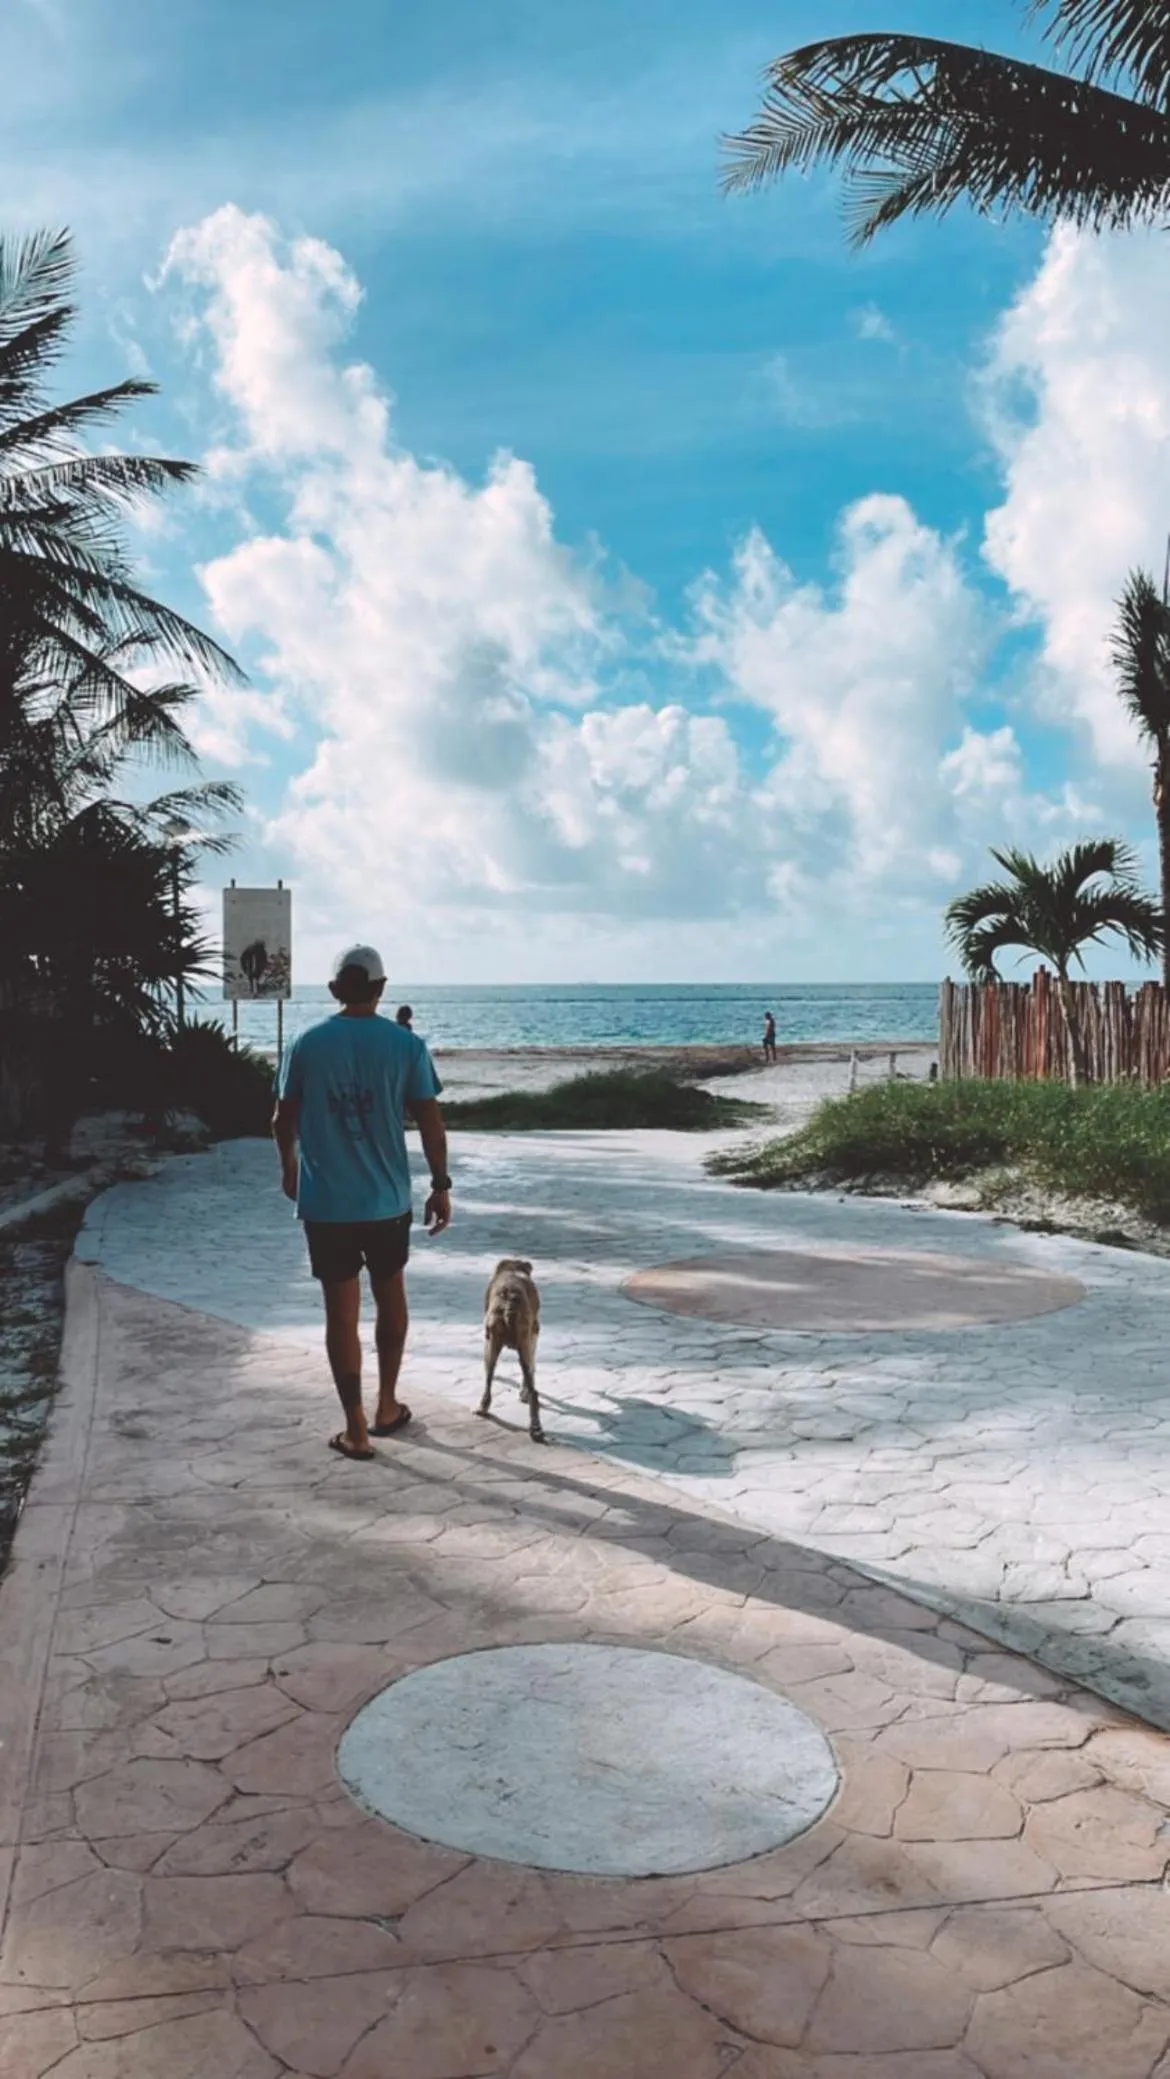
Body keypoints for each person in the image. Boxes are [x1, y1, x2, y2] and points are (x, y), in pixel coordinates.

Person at [272, 944, 451, 1461]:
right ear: (381, 988)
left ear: (333, 989)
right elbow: (430, 1122)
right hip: (387, 1201)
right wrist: (440, 1184)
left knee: (340, 1315)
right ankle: (387, 1404)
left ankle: (355, 1429)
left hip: (327, 1203)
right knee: (391, 1296)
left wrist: (289, 1168)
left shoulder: (305, 1043)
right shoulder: (406, 1045)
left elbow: (282, 1119)